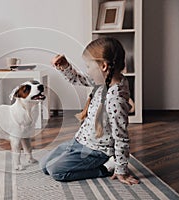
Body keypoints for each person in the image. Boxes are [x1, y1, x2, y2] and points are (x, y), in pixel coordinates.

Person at [39, 37, 139, 185]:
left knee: (57, 171)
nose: (87, 71)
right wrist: (65, 66)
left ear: (104, 66)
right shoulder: (105, 80)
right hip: (80, 140)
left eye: (88, 66)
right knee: (44, 165)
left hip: (96, 151)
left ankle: (106, 168)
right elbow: (77, 79)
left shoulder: (115, 99)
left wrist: (121, 169)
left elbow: (121, 138)